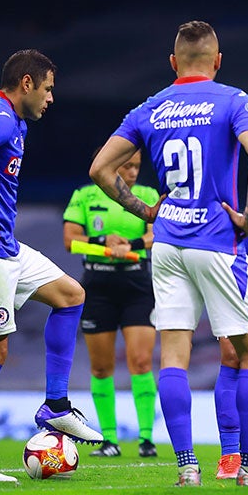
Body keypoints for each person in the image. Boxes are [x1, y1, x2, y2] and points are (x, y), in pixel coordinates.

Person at [89, 20, 248, 487]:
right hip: (218, 241)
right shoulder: (235, 100)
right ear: (217, 61)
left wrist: (144, 209)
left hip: (168, 244)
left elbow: (100, 168)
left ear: (172, 62)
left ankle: (186, 467)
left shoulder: (150, 107)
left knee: (173, 356)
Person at [0, 49, 102, 482]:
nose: (51, 98)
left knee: (71, 295)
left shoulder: (12, 120)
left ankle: (55, 405)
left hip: (5, 248)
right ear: (27, 83)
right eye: (48, 88)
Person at [63, 150, 159, 458]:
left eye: (136, 167)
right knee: (102, 367)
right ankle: (109, 440)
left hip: (137, 285)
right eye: (126, 166)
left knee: (141, 362)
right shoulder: (84, 195)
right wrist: (104, 244)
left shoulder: (147, 195)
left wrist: (128, 245)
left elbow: (156, 234)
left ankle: (146, 439)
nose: (132, 173)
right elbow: (70, 241)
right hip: (98, 286)